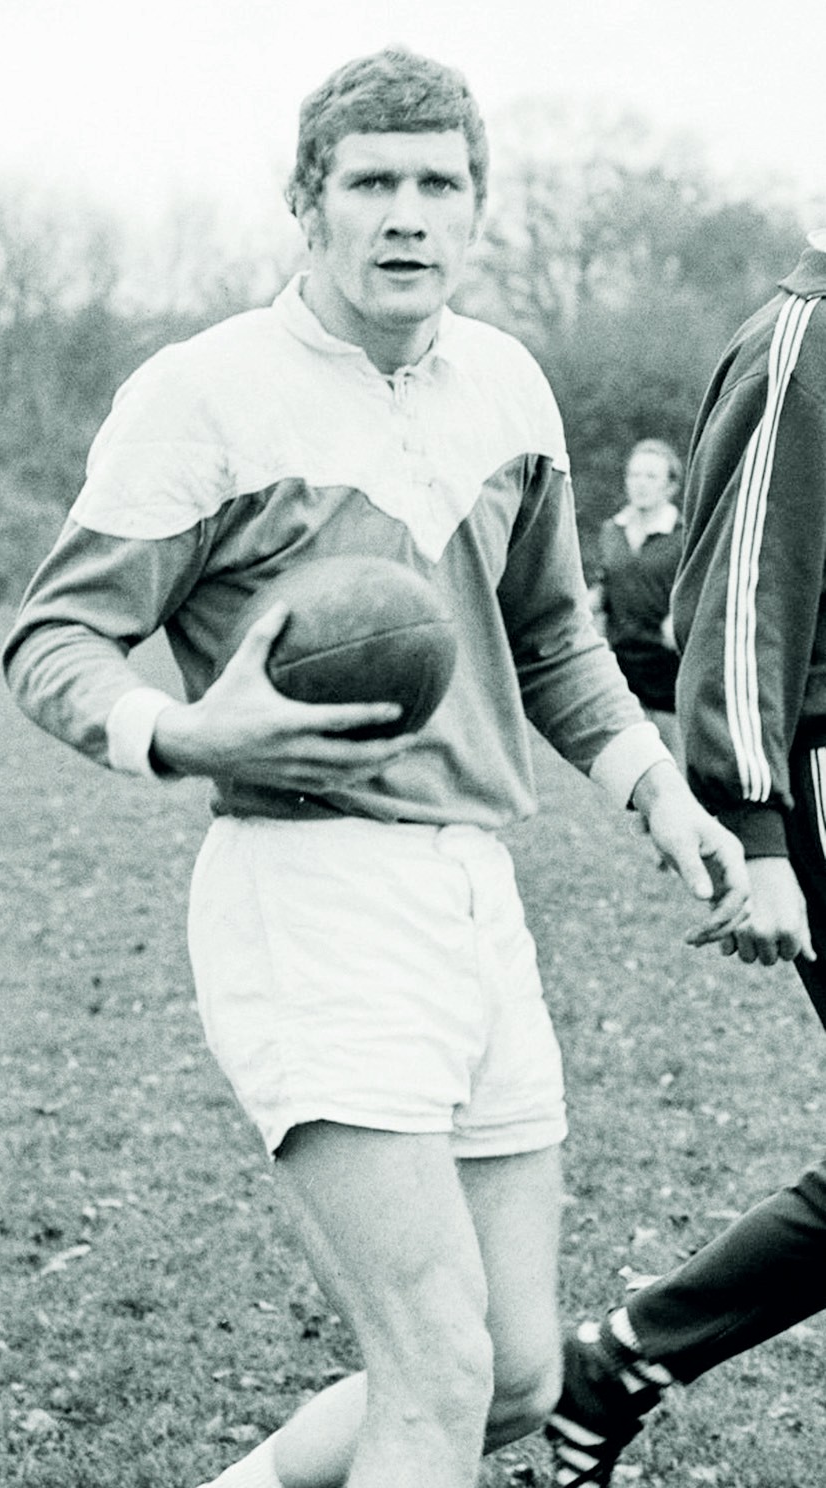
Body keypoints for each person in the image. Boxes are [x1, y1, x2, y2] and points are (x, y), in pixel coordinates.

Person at [2, 48, 749, 1488]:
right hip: (306, 892)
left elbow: (552, 638)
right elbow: (54, 639)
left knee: (515, 1374)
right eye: (371, 183)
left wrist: (658, 792)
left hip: (476, 894)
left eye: (438, 184)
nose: (408, 213)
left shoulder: (509, 386)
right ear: (306, 203)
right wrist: (179, 732)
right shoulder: (203, 393)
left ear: (476, 209)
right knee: (436, 1368)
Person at [545, 228, 826, 1488]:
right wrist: (758, 834)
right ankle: (624, 1359)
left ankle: (620, 1364)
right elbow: (730, 603)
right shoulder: (801, 346)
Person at [588, 438, 684, 763]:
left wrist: (680, 614)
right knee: (631, 761)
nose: (640, 483)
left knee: (671, 762)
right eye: (634, 475)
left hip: (667, 665)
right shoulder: (611, 531)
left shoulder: (684, 535)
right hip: (622, 662)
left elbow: (699, 590)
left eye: (651, 476)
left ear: (670, 486)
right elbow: (605, 586)